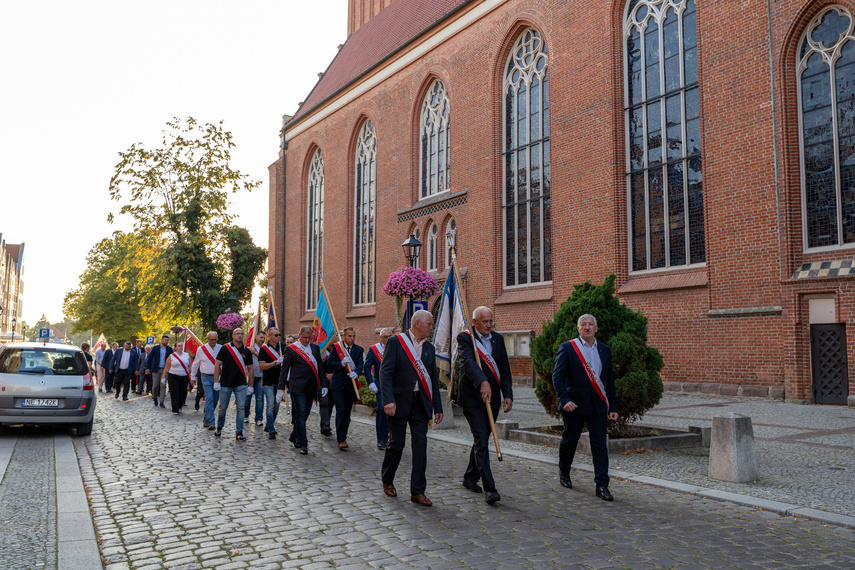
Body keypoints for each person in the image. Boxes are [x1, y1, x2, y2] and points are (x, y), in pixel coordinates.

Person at [552, 314, 620, 501]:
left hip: (598, 405)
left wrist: (613, 406)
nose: (587, 327)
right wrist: (564, 400)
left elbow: (610, 381)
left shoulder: (604, 350)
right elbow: (557, 377)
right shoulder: (568, 348)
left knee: (599, 446)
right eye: (584, 324)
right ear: (578, 328)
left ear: (596, 328)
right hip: (574, 405)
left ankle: (602, 485)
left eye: (591, 325)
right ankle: (564, 471)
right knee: (569, 441)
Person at [380, 310, 443, 507]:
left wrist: (437, 407)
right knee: (396, 445)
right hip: (398, 402)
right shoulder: (396, 342)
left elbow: (433, 378)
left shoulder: (429, 348)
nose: (431, 328)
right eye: (429, 324)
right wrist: (388, 400)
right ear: (417, 324)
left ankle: (418, 491)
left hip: (420, 404)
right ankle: (387, 479)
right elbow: (385, 372)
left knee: (420, 446)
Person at [457, 306, 514, 505]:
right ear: (474, 322)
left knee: (481, 439)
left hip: (493, 400)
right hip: (473, 399)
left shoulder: (497, 339)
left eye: (491, 321)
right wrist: (482, 381)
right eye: (484, 322)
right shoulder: (465, 339)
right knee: (481, 438)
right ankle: (490, 488)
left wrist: (508, 394)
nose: (489, 325)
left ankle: (470, 477)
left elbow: (504, 368)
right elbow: (467, 363)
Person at [277, 326, 327, 455]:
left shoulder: (315, 348)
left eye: (308, 338)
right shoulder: (291, 349)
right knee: (300, 413)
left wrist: (324, 385)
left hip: (311, 386)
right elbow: (285, 369)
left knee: (305, 415)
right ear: (299, 335)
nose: (306, 340)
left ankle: (294, 435)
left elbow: (320, 367)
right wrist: (280, 388)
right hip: (297, 386)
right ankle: (303, 443)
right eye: (304, 337)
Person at [326, 327, 364, 451]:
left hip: (350, 386)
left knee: (347, 413)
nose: (352, 339)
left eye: (354, 336)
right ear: (344, 336)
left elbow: (360, 364)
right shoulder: (337, 348)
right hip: (337, 386)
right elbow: (330, 363)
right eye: (349, 336)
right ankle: (341, 439)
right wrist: (341, 363)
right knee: (341, 410)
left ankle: (344, 436)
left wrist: (356, 373)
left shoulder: (359, 349)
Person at [213, 328, 253, 441]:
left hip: (240, 384)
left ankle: (239, 432)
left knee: (241, 408)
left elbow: (250, 369)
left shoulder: (247, 351)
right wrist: (216, 381)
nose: (240, 336)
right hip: (226, 383)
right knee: (223, 408)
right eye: (237, 334)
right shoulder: (225, 348)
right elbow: (217, 364)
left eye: (241, 333)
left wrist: (251, 385)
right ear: (233, 335)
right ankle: (219, 427)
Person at [363, 328, 392, 449]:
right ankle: (380, 438)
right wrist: (370, 382)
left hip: (392, 383)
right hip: (379, 382)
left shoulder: (395, 347)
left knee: (391, 411)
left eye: (389, 336)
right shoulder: (374, 349)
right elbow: (367, 366)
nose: (387, 339)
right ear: (380, 338)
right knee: (381, 409)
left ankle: (388, 437)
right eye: (385, 337)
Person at [257, 327, 284, 439]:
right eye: (276, 335)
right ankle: (272, 430)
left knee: (276, 406)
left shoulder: (283, 347)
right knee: (270, 405)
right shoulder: (264, 349)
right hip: (268, 381)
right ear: (270, 336)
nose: (278, 337)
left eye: (279, 335)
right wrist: (276, 362)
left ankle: (269, 424)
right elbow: (262, 366)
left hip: (280, 381)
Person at [191, 331, 221, 430]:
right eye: (211, 339)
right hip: (205, 376)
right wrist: (193, 377)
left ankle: (206, 418)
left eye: (215, 339)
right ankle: (212, 421)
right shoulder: (201, 349)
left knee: (215, 399)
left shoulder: (220, 348)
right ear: (207, 339)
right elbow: (195, 364)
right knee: (209, 398)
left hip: (217, 378)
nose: (213, 341)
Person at [164, 342, 192, 414]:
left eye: (181, 346)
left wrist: (192, 375)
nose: (180, 347)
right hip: (173, 375)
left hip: (184, 376)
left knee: (183, 392)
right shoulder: (171, 356)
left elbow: (190, 366)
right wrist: (163, 377)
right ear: (175, 348)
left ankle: (179, 406)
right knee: (174, 392)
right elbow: (167, 367)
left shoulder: (187, 355)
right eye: (179, 346)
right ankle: (175, 408)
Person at [245, 331, 266, 427]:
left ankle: (258, 418)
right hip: (250, 376)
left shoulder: (265, 348)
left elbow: (264, 359)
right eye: (261, 337)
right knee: (247, 397)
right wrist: (250, 351)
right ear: (256, 337)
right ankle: (246, 416)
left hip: (260, 376)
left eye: (263, 338)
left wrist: (255, 353)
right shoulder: (250, 346)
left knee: (260, 398)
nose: (262, 339)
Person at [146, 335, 173, 408]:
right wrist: (147, 368)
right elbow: (150, 358)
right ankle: (155, 397)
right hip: (156, 369)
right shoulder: (155, 348)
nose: (166, 341)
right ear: (161, 340)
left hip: (165, 370)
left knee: (163, 385)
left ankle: (161, 401)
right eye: (165, 340)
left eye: (167, 340)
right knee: (155, 386)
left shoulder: (169, 349)